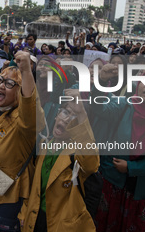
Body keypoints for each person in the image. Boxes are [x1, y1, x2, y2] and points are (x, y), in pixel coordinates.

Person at [93, 66, 145, 232]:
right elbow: (99, 109)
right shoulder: (125, 105)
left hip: (141, 191)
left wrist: (131, 168)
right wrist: (101, 81)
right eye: (144, 81)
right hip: (112, 182)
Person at [19, 89, 100, 232]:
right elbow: (35, 186)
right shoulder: (44, 146)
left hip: (59, 225)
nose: (67, 119)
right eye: (65, 112)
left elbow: (91, 164)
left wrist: (81, 113)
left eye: (74, 117)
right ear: (57, 115)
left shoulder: (77, 154)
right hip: (35, 217)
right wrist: (25, 211)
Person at [0, 51, 37, 232]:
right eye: (0, 80)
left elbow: (30, 108)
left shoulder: (24, 118)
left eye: (10, 83)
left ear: (20, 92)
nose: (2, 86)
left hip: (10, 195)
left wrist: (26, 71)